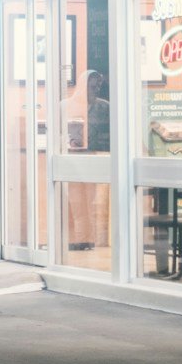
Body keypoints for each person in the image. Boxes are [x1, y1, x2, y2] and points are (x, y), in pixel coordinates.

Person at [60, 70, 109, 252]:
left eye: (98, 85)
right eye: (92, 85)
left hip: (92, 159)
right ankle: (82, 241)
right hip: (72, 161)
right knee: (77, 204)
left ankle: (94, 242)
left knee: (92, 203)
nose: (96, 89)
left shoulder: (104, 107)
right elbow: (56, 132)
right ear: (82, 85)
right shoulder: (65, 106)